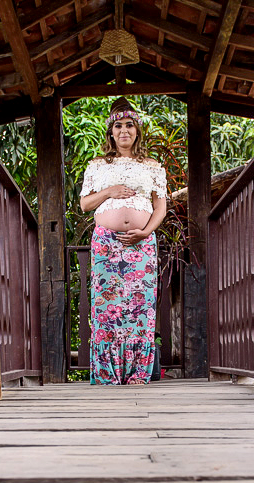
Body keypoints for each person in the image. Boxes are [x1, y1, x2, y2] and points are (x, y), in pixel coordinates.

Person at [79, 98, 167, 385]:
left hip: (141, 244)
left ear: (137, 131)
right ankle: (108, 373)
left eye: (129, 125)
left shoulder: (152, 166)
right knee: (106, 309)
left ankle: (138, 372)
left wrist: (146, 232)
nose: (124, 130)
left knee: (140, 307)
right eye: (118, 126)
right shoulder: (97, 165)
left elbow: (160, 207)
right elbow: (84, 204)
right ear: (111, 132)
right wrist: (109, 191)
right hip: (107, 244)